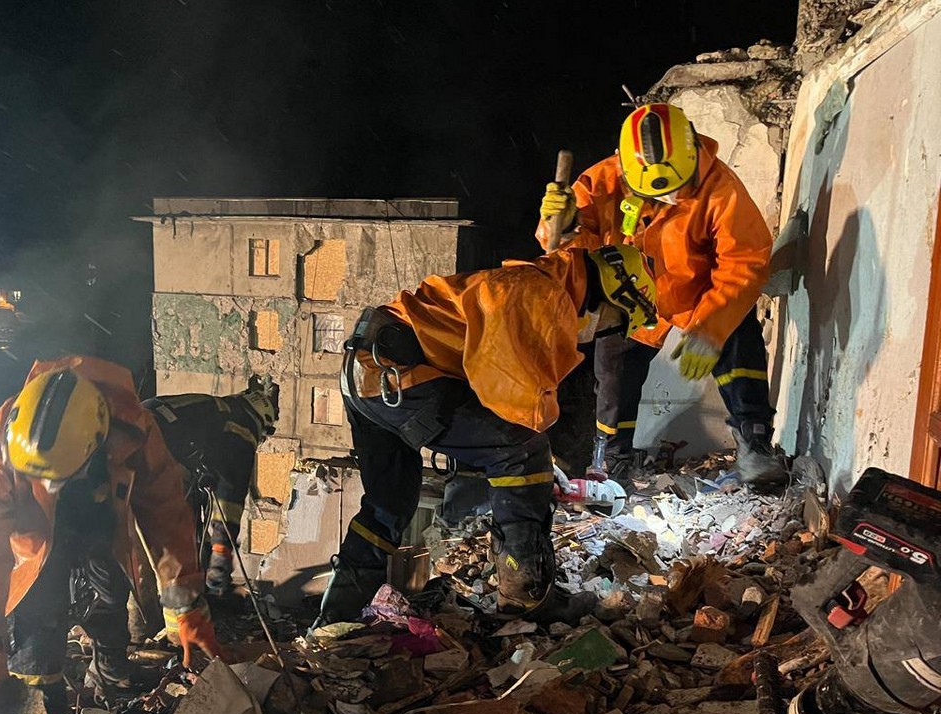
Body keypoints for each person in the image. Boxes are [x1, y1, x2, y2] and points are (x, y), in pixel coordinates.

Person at [313, 244, 661, 628]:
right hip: (401, 375)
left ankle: (338, 615)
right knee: (521, 453)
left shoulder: (534, 286)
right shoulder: (541, 295)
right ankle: (526, 599)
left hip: (367, 375)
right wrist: (540, 468)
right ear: (614, 292)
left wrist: (545, 467)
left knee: (389, 500)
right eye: (615, 320)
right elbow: (510, 396)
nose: (607, 331)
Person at [0, 356, 223, 714]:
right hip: (35, 541)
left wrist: (186, 604)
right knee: (38, 626)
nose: (46, 489)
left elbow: (164, 511)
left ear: (96, 442)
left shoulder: (132, 427)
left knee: (109, 596)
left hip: (101, 518)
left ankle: (109, 682)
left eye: (53, 480)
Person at [537, 102, 784, 486]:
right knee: (614, 375)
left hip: (697, 293)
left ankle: (754, 444)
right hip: (629, 298)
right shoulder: (600, 182)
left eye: (677, 191)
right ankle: (612, 461)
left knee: (739, 338)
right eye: (657, 194)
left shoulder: (720, 188)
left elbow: (745, 261)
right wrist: (562, 226)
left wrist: (713, 327)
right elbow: (566, 257)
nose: (668, 200)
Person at [141, 376, 280, 597]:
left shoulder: (216, 410)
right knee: (176, 541)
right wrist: (221, 552)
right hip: (155, 449)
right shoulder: (244, 426)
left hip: (131, 438)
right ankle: (184, 597)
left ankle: (144, 615)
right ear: (262, 419)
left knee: (135, 548)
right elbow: (230, 494)